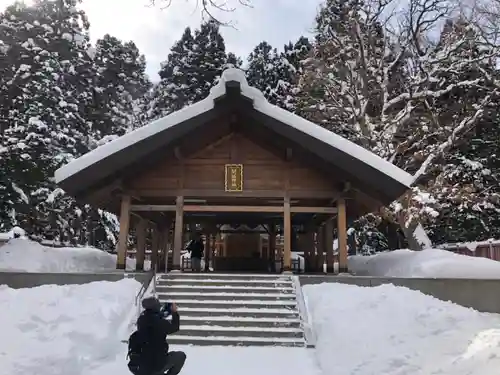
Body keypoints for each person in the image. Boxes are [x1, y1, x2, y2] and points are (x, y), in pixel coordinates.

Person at [127, 296, 186, 375]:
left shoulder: (142, 319)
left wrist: (165, 312)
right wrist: (174, 312)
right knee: (180, 356)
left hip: (142, 366)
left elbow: (154, 318)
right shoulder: (159, 322)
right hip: (156, 364)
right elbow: (174, 327)